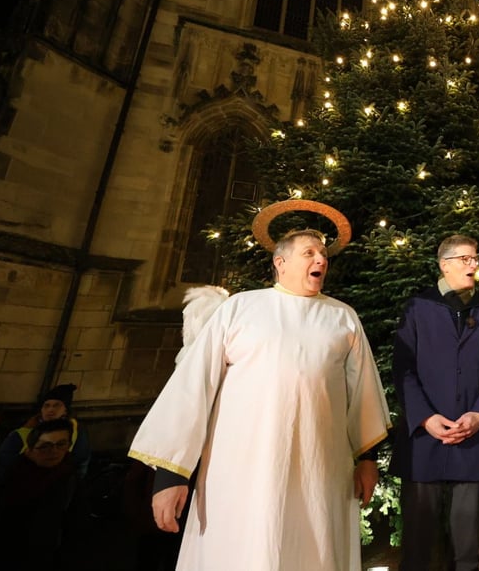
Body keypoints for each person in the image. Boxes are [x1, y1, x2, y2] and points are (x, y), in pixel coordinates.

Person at [127, 228, 391, 571]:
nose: (321, 260)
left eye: (324, 255)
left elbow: (364, 394)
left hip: (319, 469)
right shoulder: (240, 308)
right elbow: (193, 388)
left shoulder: (343, 317)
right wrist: (171, 476)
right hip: (241, 470)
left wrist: (367, 459)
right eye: (309, 253)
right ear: (280, 262)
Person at [390, 234, 479, 571]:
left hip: (472, 446)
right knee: (418, 550)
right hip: (424, 445)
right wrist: (426, 418)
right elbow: (403, 368)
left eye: (475, 259)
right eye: (465, 259)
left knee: (467, 553)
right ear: (444, 264)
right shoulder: (417, 308)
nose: (473, 265)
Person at [0, 418, 80, 569]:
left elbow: (75, 526)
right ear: (30, 449)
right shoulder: (12, 471)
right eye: (45, 446)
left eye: (61, 444)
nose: (54, 451)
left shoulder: (69, 477)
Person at [0, 383, 91, 485]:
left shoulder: (77, 431)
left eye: (56, 405)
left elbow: (81, 461)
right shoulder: (22, 433)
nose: (50, 410)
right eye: (46, 406)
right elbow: (3, 464)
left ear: (65, 410)